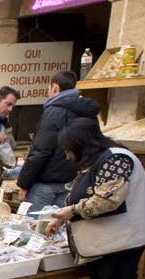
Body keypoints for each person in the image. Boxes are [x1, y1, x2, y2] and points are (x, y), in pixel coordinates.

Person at [44, 117, 145, 279]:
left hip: (120, 244)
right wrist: (61, 219)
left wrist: (72, 211)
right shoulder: (97, 161)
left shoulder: (115, 158)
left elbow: (107, 201)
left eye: (69, 150)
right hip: (106, 245)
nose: (68, 156)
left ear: (83, 145)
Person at [18, 69, 101, 212]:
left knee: (34, 228)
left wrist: (24, 183)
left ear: (54, 87)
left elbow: (40, 151)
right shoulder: (87, 113)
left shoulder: (54, 111)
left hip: (45, 183)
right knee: (58, 230)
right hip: (72, 181)